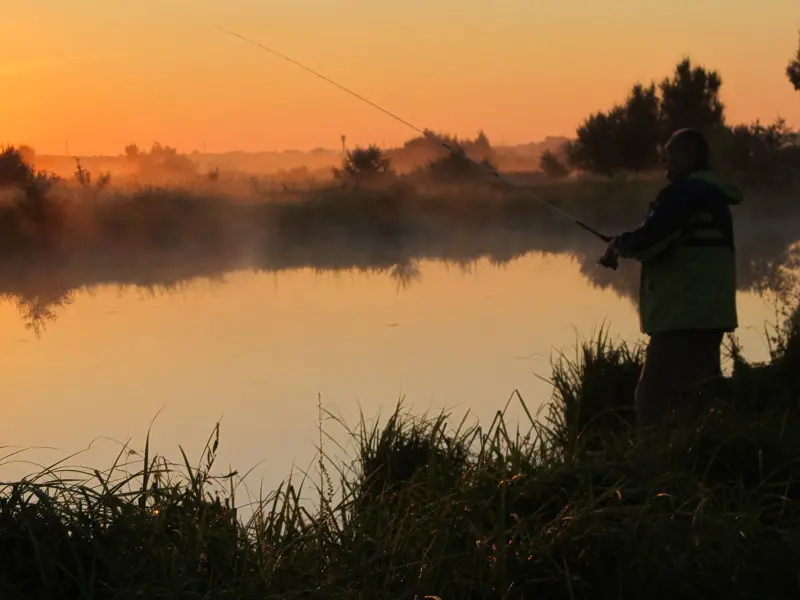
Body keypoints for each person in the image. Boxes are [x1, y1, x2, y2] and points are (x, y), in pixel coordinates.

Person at [600, 128, 743, 434]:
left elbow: (651, 240)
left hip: (684, 314)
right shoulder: (711, 193)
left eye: (670, 153)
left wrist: (619, 244)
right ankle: (702, 464)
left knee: (651, 398)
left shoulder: (686, 193)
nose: (663, 160)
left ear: (689, 156)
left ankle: (655, 469)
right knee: (698, 399)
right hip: (709, 312)